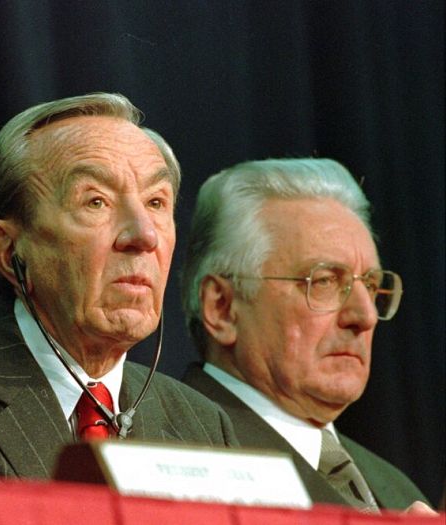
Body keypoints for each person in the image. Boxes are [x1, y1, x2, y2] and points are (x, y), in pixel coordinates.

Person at [0, 93, 237, 479]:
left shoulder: (203, 425)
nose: (144, 236)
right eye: (96, 202)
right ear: (8, 250)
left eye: (156, 203)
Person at [179, 158, 432, 511]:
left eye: (371, 286)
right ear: (222, 308)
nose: (366, 316)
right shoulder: (172, 454)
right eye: (325, 281)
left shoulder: (397, 487)